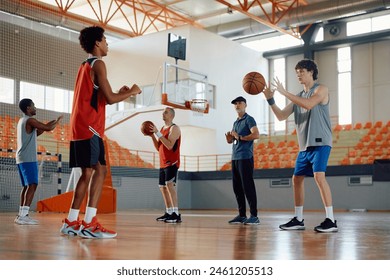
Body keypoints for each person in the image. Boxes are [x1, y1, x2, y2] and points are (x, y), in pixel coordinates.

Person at [60, 26, 142, 238]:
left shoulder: (84, 66)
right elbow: (111, 99)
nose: (107, 44)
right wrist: (132, 92)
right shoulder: (99, 64)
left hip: (79, 126)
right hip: (90, 127)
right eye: (105, 40)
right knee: (101, 170)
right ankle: (89, 223)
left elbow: (104, 97)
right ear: (97, 43)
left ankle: (71, 221)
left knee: (87, 173)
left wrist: (121, 93)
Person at [263, 59, 338, 233]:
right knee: (296, 179)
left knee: (319, 177)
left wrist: (284, 92)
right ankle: (298, 219)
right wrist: (270, 99)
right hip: (304, 146)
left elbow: (310, 104)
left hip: (320, 142)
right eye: (297, 72)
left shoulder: (321, 89)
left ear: (311, 72)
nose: (298, 74)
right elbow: (281, 116)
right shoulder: (298, 96)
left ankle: (331, 220)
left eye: (302, 71)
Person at [15, 98, 62, 225]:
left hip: (21, 158)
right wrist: (56, 122)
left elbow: (36, 133)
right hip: (28, 158)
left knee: (26, 186)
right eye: (33, 106)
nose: (35, 108)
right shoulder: (30, 120)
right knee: (33, 184)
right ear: (28, 109)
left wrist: (50, 124)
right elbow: (47, 128)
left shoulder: (22, 121)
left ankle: (21, 215)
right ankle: (24, 215)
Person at [225, 96, 260, 225]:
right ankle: (242, 215)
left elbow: (256, 134)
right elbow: (235, 140)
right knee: (237, 188)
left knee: (248, 186)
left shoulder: (249, 119)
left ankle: (254, 216)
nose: (237, 105)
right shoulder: (236, 122)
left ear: (245, 105)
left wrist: (239, 137)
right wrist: (230, 139)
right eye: (235, 103)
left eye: (240, 103)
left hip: (245, 157)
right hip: (235, 157)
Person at [147, 107, 182, 223]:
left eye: (166, 112)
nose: (163, 113)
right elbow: (159, 147)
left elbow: (169, 146)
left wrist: (157, 133)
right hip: (163, 163)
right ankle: (169, 212)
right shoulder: (162, 129)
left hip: (172, 162)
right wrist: (152, 135)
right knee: (162, 187)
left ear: (171, 115)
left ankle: (176, 214)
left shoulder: (174, 128)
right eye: (163, 112)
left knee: (169, 185)